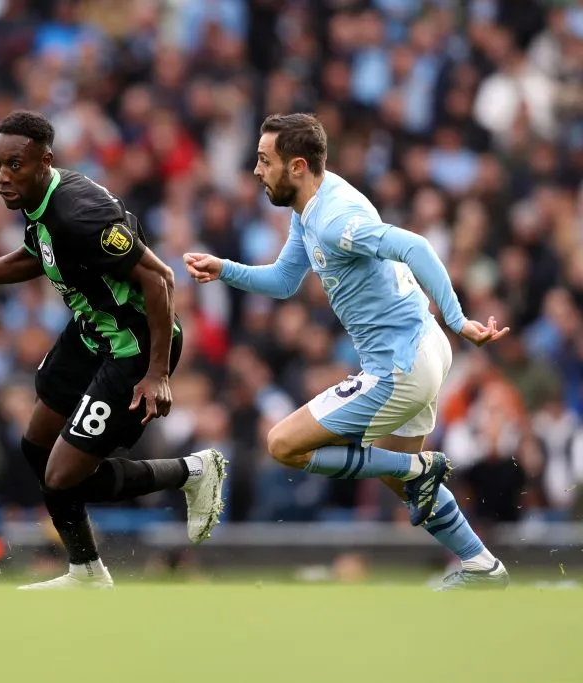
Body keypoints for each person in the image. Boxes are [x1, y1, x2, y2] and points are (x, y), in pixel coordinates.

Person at [185, 113, 510, 590]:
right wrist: (225, 269)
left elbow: (415, 246)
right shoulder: (311, 205)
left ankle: (419, 467)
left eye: (263, 160)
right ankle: (482, 565)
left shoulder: (336, 221)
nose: (255, 171)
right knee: (402, 481)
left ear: (297, 166)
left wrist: (459, 320)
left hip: (402, 363)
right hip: (421, 348)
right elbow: (283, 280)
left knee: (283, 444)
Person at [0, 111, 227, 589]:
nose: (3, 177)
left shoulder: (79, 211)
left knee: (62, 477)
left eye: (14, 165)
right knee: (36, 447)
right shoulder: (41, 204)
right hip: (89, 334)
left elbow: (159, 277)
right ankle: (85, 569)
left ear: (46, 160)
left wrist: (159, 372)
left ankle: (193, 471)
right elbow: (39, 255)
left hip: (132, 349)